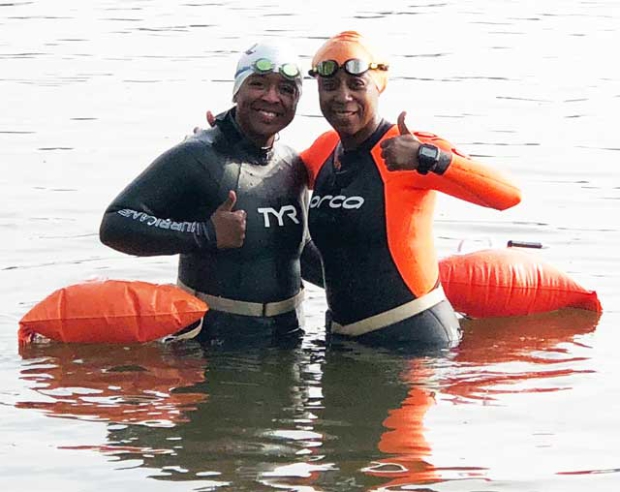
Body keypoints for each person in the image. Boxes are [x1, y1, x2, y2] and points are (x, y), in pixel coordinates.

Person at [300, 31, 522, 348]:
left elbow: (508, 195)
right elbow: (270, 175)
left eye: (356, 85)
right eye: (330, 86)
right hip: (343, 341)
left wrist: (427, 157)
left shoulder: (411, 147)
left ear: (378, 86)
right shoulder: (323, 149)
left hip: (415, 341)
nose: (343, 96)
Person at [99, 41, 323, 347]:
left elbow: (297, 251)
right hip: (212, 346)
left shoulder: (291, 164)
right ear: (237, 91)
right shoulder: (198, 156)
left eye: (286, 89)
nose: (272, 97)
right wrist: (205, 234)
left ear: (297, 100)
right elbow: (115, 223)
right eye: (258, 84)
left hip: (288, 340)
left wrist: (368, 289)